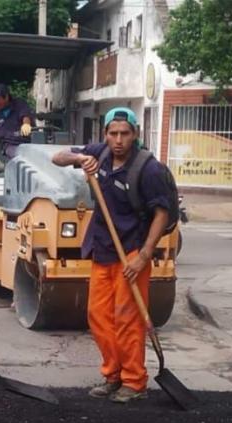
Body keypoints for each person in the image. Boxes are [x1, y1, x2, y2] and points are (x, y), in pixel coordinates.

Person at [51, 107, 172, 404]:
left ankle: (134, 381)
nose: (118, 140)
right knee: (99, 316)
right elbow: (58, 157)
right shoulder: (100, 153)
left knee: (127, 318)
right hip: (103, 247)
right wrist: (80, 158)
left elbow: (162, 213)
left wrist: (144, 256)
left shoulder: (149, 168)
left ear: (135, 135)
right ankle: (113, 374)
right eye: (113, 133)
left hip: (132, 250)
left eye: (125, 134)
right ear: (105, 134)